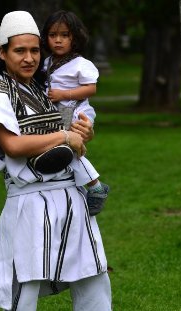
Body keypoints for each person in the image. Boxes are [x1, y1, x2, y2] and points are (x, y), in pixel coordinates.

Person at [0, 11, 159, 311]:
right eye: (20, 50)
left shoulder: (41, 87)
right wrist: (63, 137)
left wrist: (81, 133)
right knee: (22, 280)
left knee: (91, 267)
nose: (29, 57)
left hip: (67, 195)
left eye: (35, 50)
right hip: (29, 201)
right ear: (3, 52)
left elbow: (68, 140)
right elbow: (13, 145)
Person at [41, 10, 109, 217]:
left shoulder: (81, 64)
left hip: (78, 110)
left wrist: (64, 94)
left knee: (69, 148)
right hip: (57, 112)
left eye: (64, 35)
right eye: (53, 35)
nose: (58, 40)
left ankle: (95, 186)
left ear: (75, 37)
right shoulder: (47, 63)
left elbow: (91, 88)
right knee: (62, 148)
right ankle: (90, 185)